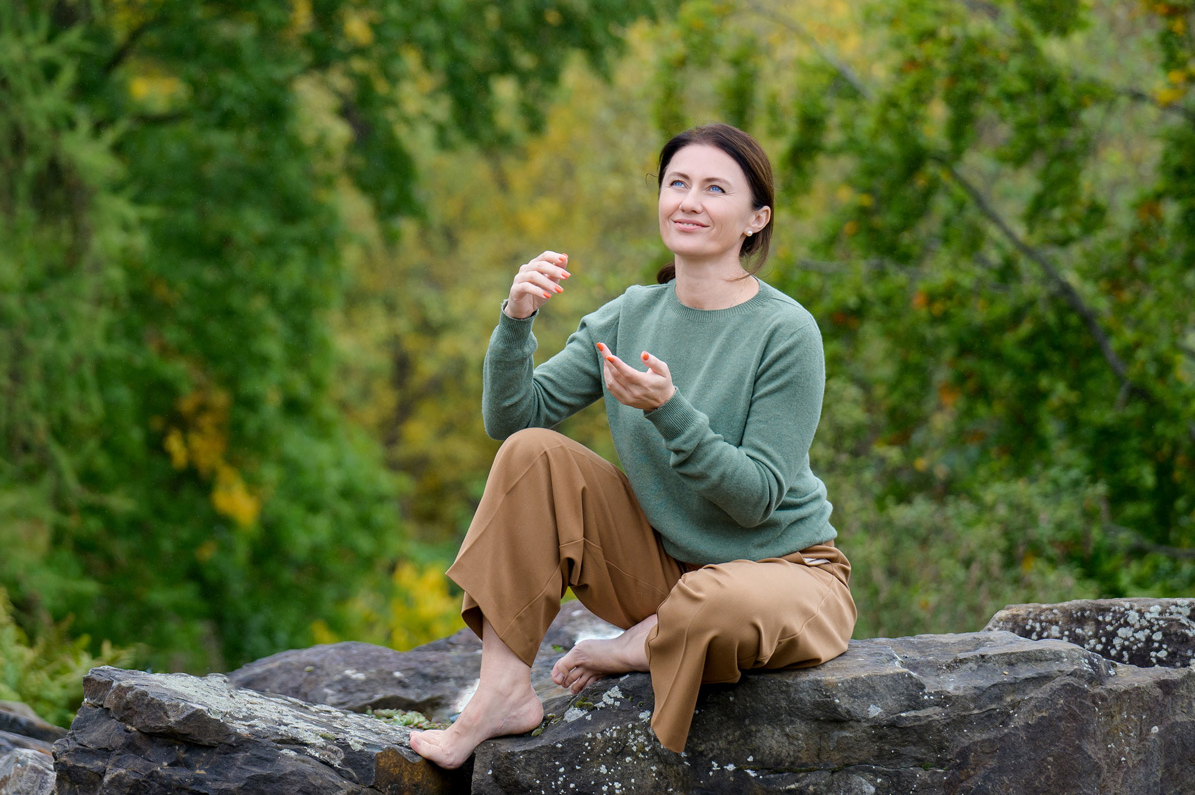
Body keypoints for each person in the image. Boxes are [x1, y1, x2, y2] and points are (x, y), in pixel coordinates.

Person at [409, 123, 856, 769]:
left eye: (713, 188)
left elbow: (756, 501)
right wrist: (516, 320)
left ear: (756, 218)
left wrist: (669, 412)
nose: (689, 201)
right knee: (533, 452)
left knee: (716, 602)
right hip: (660, 572)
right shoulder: (629, 315)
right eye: (677, 183)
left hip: (783, 572)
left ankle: (631, 646)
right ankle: (504, 688)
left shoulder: (785, 331)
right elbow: (512, 419)